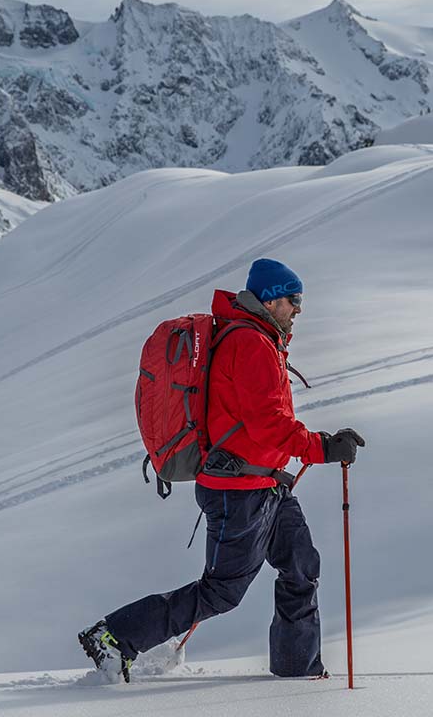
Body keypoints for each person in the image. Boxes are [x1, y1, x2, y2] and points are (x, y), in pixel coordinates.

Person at [78, 258, 366, 681]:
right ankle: (113, 636)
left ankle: (297, 668)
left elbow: (264, 423)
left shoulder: (261, 339)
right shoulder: (250, 344)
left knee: (302, 564)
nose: (299, 309)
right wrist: (321, 447)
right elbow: (268, 423)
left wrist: (309, 448)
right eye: (293, 299)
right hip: (239, 490)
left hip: (265, 484)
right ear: (270, 299)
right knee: (221, 591)